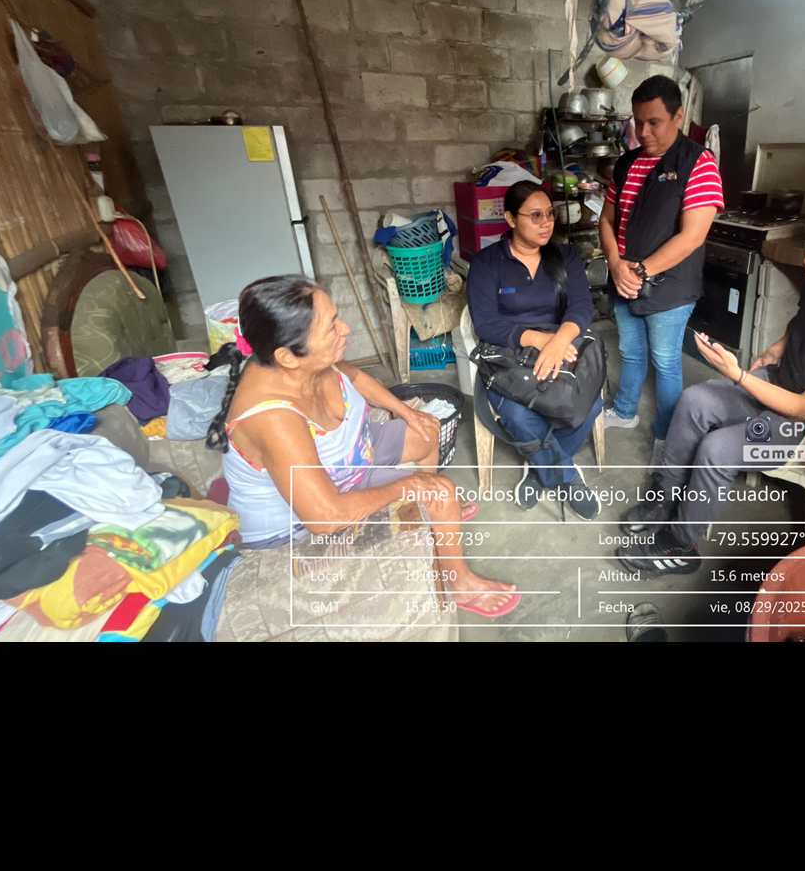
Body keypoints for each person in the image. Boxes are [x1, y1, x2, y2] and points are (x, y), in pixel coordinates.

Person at [617, 204, 805, 574]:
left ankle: (681, 544)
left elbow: (804, 408)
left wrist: (738, 375)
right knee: (693, 399)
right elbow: (801, 320)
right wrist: (777, 347)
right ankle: (667, 496)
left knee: (717, 448)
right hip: (779, 382)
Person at [222, 275, 519, 617]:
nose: (345, 328)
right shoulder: (272, 419)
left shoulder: (302, 357)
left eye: (336, 318)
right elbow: (325, 517)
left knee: (426, 432)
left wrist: (406, 411)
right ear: (287, 357)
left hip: (346, 464)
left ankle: (432, 517)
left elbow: (354, 376)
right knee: (439, 491)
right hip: (299, 527)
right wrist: (411, 485)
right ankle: (459, 583)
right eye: (332, 327)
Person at [597, 76, 724, 463]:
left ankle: (669, 435)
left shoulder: (698, 163)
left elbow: (692, 236)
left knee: (665, 360)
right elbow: (606, 219)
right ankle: (624, 411)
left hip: (669, 285)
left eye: (654, 122)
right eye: (638, 122)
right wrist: (615, 264)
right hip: (624, 278)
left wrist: (638, 271)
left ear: (678, 116)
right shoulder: (626, 163)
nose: (644, 132)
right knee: (630, 352)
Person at [466, 180, 602, 518]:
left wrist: (559, 340)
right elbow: (485, 324)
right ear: (511, 219)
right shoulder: (486, 263)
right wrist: (538, 340)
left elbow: (582, 306)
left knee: (589, 402)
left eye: (550, 214)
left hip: (562, 344)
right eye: (535, 215)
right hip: (510, 351)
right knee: (516, 414)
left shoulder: (566, 256)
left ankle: (539, 469)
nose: (546, 223)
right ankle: (564, 475)